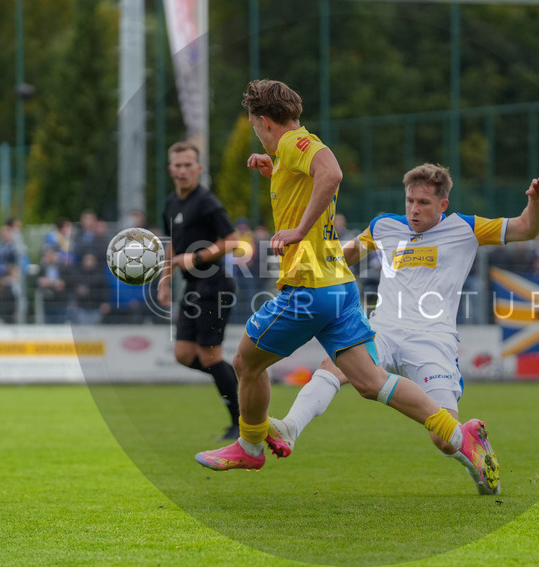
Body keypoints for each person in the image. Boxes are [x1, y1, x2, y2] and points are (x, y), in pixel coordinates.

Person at [194, 80, 500, 497]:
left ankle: (250, 445)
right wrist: (275, 168)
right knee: (370, 382)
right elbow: (312, 174)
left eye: (254, 127)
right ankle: (457, 434)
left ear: (264, 122)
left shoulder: (294, 144)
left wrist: (299, 229)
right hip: (339, 285)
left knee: (247, 364)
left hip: (308, 286)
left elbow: (332, 172)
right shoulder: (290, 150)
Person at [264, 163, 539, 494]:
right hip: (382, 328)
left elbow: (527, 228)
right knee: (333, 366)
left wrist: (537, 203)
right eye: (410, 200)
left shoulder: (465, 228)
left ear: (443, 205)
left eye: (424, 203)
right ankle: (290, 427)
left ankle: (478, 464)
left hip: (432, 339)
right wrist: (306, 267)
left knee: (442, 439)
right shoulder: (384, 226)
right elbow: (346, 256)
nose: (414, 209)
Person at [157, 141, 243, 442]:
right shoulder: (170, 203)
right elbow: (171, 244)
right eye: (177, 166)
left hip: (215, 285)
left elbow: (233, 241)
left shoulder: (206, 201)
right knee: (183, 354)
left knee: (210, 356)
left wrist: (196, 258)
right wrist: (165, 279)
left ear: (198, 169)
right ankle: (237, 379)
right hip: (193, 287)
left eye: (187, 165)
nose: (182, 171)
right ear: (170, 170)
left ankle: (240, 420)